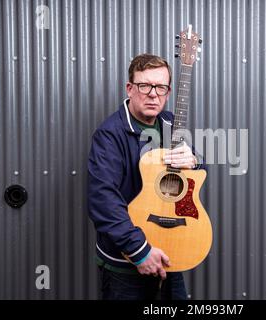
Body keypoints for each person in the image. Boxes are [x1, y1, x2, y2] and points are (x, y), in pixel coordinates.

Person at [87, 53, 203, 300]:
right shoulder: (110, 135)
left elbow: (192, 173)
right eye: (145, 85)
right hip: (126, 260)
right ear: (130, 88)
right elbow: (103, 200)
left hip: (172, 250)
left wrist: (194, 160)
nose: (153, 94)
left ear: (169, 92)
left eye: (160, 87)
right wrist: (139, 251)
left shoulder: (170, 123)